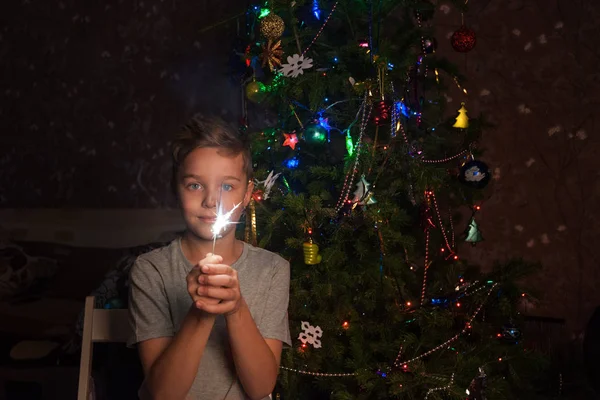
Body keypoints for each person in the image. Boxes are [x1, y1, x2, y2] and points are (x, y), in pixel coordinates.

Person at [127, 114, 291, 400]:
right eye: (194, 185)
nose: (211, 201)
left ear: (249, 192)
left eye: (227, 186)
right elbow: (164, 394)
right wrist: (202, 311)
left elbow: (261, 387)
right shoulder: (150, 270)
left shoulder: (272, 269)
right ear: (175, 189)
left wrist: (235, 308)